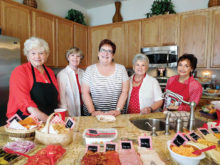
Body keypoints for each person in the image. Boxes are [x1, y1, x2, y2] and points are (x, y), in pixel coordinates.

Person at [7, 37, 59, 121]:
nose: (37, 56)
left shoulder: (50, 72)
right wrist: (49, 120)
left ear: (47, 54)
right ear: (27, 55)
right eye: (33, 53)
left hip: (49, 121)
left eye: (41, 53)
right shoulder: (20, 71)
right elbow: (26, 104)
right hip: (25, 122)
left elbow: (57, 98)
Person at [81, 39, 129, 116]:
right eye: (103, 50)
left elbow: (124, 92)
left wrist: (118, 110)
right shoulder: (90, 70)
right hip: (93, 116)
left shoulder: (121, 69)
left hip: (115, 115)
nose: (106, 53)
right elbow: (85, 92)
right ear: (98, 53)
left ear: (113, 55)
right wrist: (92, 111)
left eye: (109, 51)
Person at [57, 47, 84, 117]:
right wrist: (65, 112)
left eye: (78, 56)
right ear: (68, 57)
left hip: (83, 110)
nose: (75, 58)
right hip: (69, 111)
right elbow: (61, 97)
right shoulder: (62, 74)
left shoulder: (83, 73)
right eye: (72, 55)